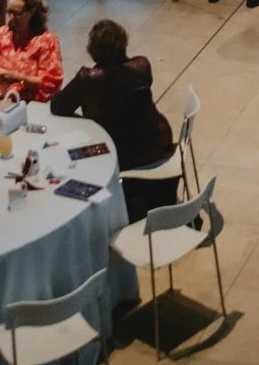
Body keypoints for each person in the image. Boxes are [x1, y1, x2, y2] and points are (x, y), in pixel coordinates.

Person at [51, 18, 176, 220]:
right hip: (155, 143)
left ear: (92, 49)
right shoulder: (141, 67)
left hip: (117, 154)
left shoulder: (88, 79)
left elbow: (58, 106)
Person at [0, 0, 64, 101]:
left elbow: (52, 81)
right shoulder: (0, 34)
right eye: (9, 12)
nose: (11, 18)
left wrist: (17, 77)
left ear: (31, 13)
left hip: (28, 103)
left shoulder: (46, 41)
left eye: (17, 14)